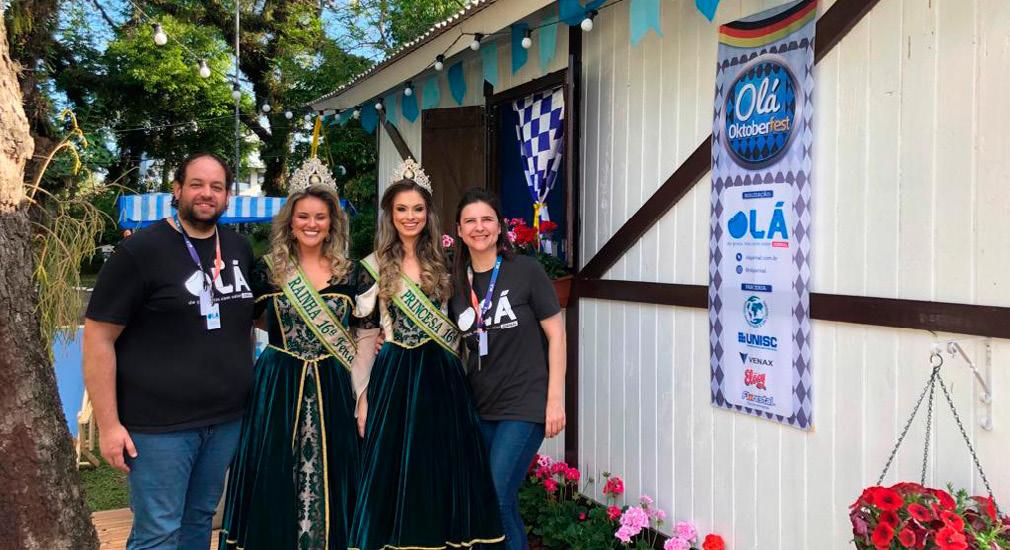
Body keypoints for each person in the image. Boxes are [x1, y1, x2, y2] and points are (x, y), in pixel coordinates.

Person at [83, 153, 255, 550]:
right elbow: (98, 338)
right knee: (158, 532)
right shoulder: (140, 252)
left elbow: (256, 316)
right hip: (159, 428)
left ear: (227, 196)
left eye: (216, 187)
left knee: (200, 520)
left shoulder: (238, 247)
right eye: (196, 184)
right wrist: (109, 425)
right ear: (176, 190)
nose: (206, 194)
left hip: (225, 420)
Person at [348, 159, 504, 550]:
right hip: (395, 380)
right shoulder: (372, 267)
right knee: (396, 474)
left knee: (442, 471)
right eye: (401, 209)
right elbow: (365, 338)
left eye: (417, 208)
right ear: (390, 213)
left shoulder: (448, 262)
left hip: (443, 381)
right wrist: (362, 395)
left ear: (428, 213)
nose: (410, 216)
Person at [219, 179, 379, 550]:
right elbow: (249, 324)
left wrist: (363, 396)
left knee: (336, 474)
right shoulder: (266, 271)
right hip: (278, 385)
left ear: (332, 223)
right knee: (274, 471)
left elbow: (366, 336)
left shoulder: (352, 273)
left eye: (320, 217)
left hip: (334, 386)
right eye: (303, 216)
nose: (311, 224)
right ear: (290, 222)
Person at [448, 187, 567, 550]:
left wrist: (555, 400)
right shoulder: (455, 282)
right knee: (495, 501)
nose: (479, 227)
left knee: (497, 497)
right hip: (481, 405)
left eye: (487, 219)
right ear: (459, 230)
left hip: (524, 403)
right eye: (470, 221)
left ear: (499, 227)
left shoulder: (526, 270)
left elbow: (557, 335)